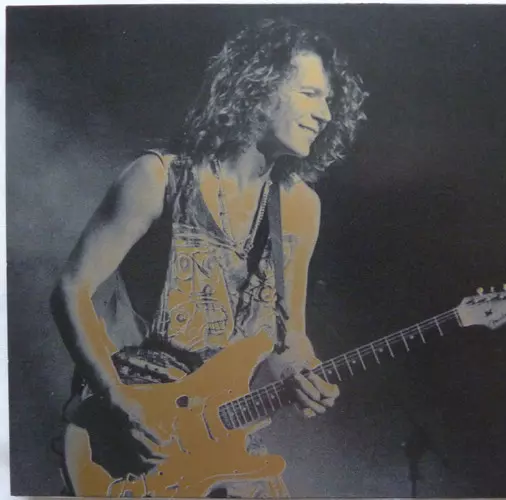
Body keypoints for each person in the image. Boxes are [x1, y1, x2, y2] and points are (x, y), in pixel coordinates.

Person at [50, 18, 367, 498]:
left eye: (328, 101)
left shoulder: (301, 207)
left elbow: (290, 337)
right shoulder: (158, 177)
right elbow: (71, 290)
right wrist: (115, 397)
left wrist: (301, 373)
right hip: (137, 436)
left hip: (223, 439)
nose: (325, 114)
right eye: (310, 94)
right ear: (257, 86)